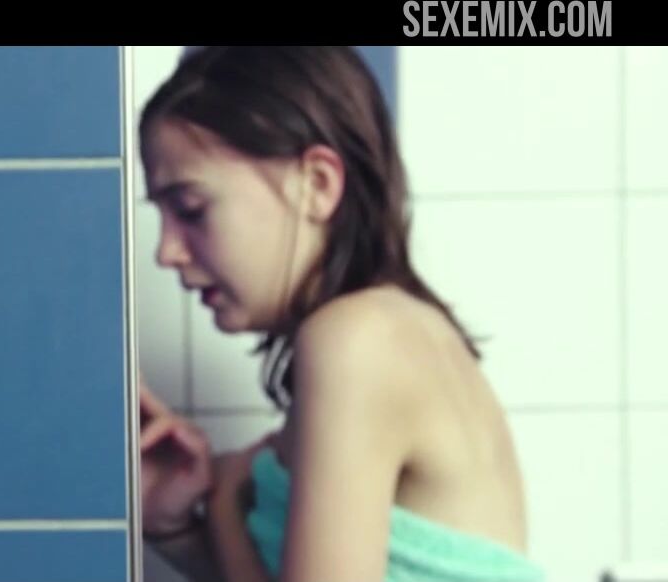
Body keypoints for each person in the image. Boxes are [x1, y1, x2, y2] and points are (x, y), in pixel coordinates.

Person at [136, 46, 545, 582]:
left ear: (317, 185)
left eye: (191, 209)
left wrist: (226, 508)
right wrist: (175, 527)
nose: (166, 251)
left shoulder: (357, 341)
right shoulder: (390, 332)